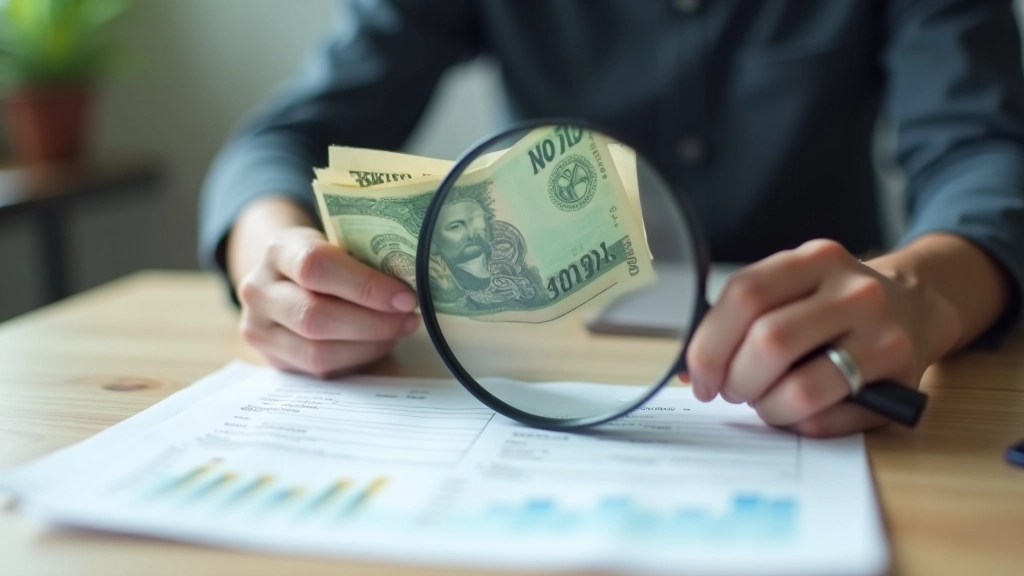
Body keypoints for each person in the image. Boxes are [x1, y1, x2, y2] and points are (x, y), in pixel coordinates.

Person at [200, 0, 1024, 437]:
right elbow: (281, 142)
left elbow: (987, 154)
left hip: (831, 346)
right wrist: (276, 254)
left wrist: (921, 295)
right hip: (564, 344)